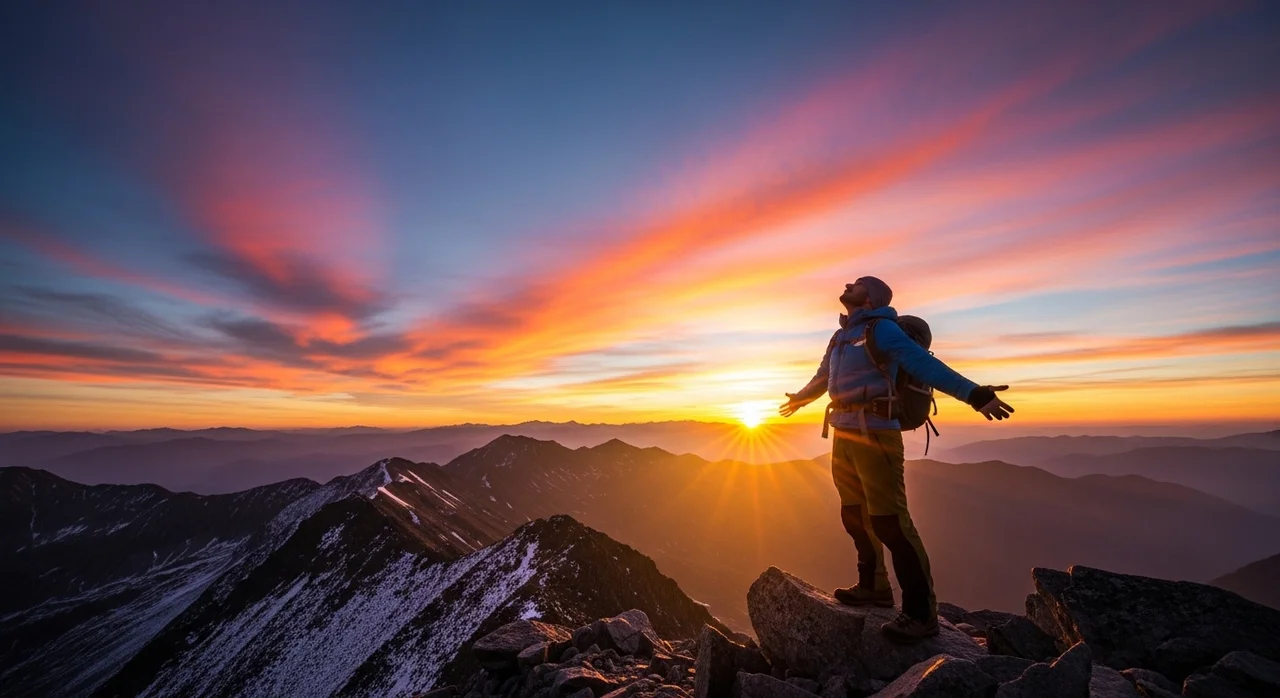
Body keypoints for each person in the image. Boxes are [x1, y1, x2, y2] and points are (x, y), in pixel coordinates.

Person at [778, 276, 1014, 643]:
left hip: (876, 435)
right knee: (854, 515)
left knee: (891, 523)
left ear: (870, 297)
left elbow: (922, 365)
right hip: (843, 432)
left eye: (856, 284)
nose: (848, 285)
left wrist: (974, 393)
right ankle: (873, 587)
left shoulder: (882, 330)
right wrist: (801, 398)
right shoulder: (841, 336)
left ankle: (921, 614)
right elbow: (824, 376)